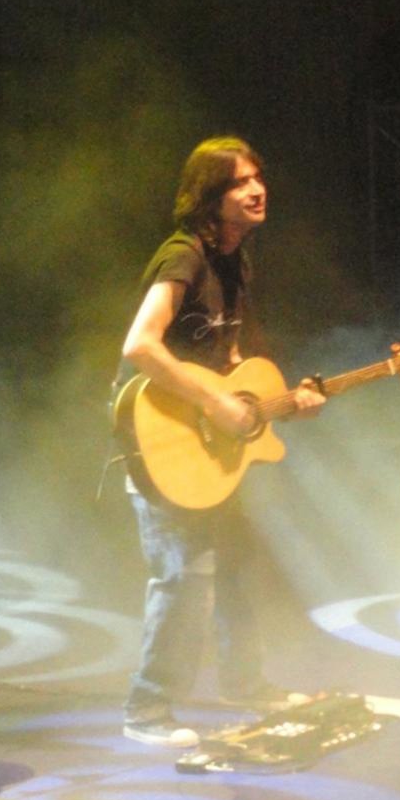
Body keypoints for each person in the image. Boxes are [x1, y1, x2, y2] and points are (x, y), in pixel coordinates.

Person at [119, 137, 324, 747]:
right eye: (239, 182)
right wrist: (213, 402)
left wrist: (279, 401)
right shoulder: (184, 256)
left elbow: (229, 359)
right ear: (210, 197)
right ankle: (146, 711)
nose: (257, 189)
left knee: (234, 568)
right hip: (166, 437)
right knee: (184, 576)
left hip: (213, 447)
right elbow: (140, 345)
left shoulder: (236, 263)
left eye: (258, 177)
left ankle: (244, 683)